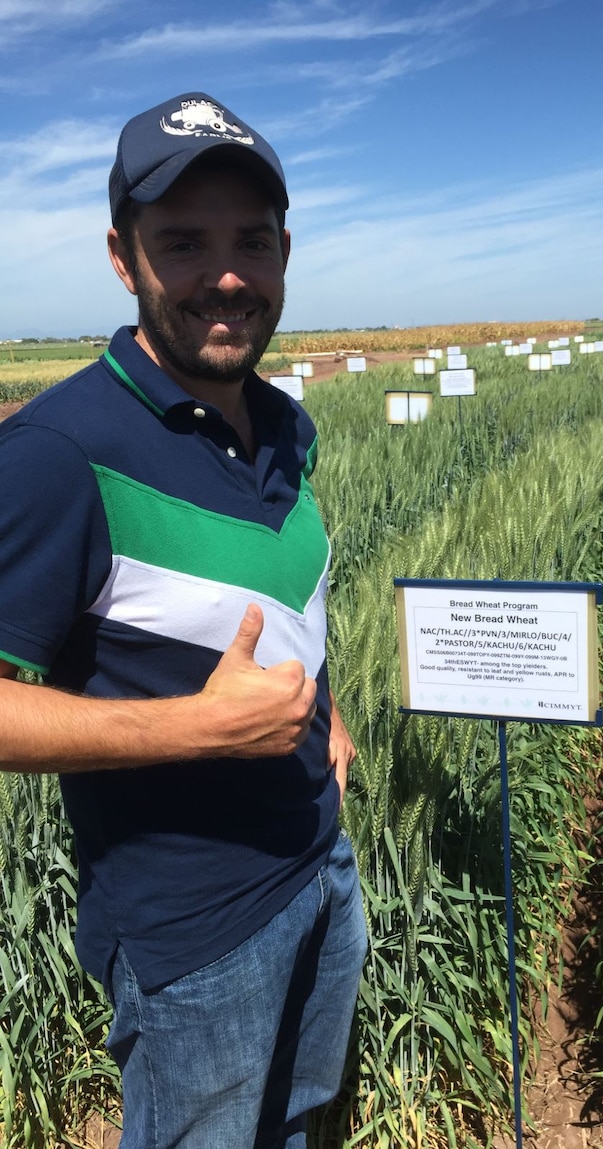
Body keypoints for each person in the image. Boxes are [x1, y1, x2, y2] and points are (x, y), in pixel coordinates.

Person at [0, 92, 367, 1148]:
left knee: (301, 1127)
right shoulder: (58, 453)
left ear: (285, 252)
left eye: (251, 240)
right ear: (124, 258)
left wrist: (322, 714)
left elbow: (283, 594)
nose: (226, 275)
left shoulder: (285, 425)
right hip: (193, 934)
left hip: (319, 865)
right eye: (184, 242)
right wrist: (189, 730)